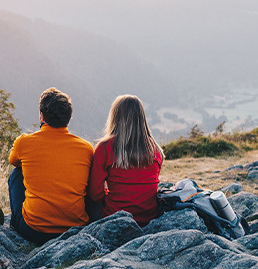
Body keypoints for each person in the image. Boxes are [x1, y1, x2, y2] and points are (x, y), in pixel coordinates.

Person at [8, 87, 94, 245]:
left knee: (16, 174)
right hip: (75, 229)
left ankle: (16, 223)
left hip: (34, 230)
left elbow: (13, 161)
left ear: (42, 116)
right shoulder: (86, 148)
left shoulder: (24, 142)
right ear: (68, 118)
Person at [88, 94, 163, 226]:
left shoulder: (105, 148)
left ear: (115, 117)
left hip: (114, 218)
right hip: (148, 218)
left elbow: (95, 194)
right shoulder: (156, 150)